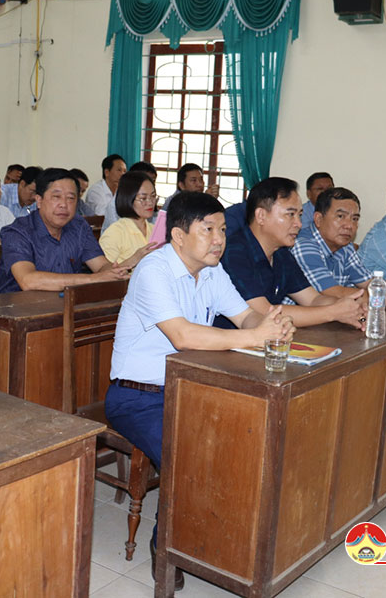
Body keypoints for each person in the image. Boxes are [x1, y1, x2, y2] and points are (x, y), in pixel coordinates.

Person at [105, 191, 294, 588]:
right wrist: (255, 336)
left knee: (244, 440)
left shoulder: (211, 271)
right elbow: (183, 336)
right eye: (208, 230)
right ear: (178, 235)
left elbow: (244, 316)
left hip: (191, 389)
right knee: (189, 454)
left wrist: (269, 326)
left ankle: (222, 540)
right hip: (137, 396)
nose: (219, 239)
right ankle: (167, 547)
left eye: (222, 229)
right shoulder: (153, 271)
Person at [219, 178, 367, 330]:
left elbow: (313, 299)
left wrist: (351, 306)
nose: (299, 224)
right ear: (261, 216)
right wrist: (332, 312)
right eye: (290, 214)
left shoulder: (281, 253)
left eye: (300, 215)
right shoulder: (233, 252)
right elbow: (264, 312)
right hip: (231, 341)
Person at [292, 187, 386, 305]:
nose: (349, 225)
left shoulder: (344, 246)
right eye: (340, 216)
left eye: (354, 219)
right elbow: (332, 292)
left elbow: (368, 282)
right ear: (318, 219)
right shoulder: (304, 245)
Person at [0, 168, 130, 293]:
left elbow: (101, 265)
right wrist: (93, 278)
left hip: (65, 304)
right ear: (39, 200)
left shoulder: (79, 226)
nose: (64, 205)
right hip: (17, 307)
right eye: (56, 197)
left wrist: (112, 273)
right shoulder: (17, 232)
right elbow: (28, 281)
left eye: (71, 198)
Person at [99, 171, 160, 268]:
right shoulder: (115, 233)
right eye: (143, 198)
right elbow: (104, 273)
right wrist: (134, 259)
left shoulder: (154, 230)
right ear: (128, 198)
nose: (150, 202)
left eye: (153, 196)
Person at [101, 161, 157, 232]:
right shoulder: (116, 205)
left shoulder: (150, 199)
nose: (150, 184)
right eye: (143, 198)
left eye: (153, 180)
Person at [300, 172, 334, 238]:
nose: (326, 192)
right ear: (309, 194)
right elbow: (305, 237)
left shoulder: (338, 211)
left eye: (329, 189)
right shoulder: (301, 214)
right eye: (320, 189)